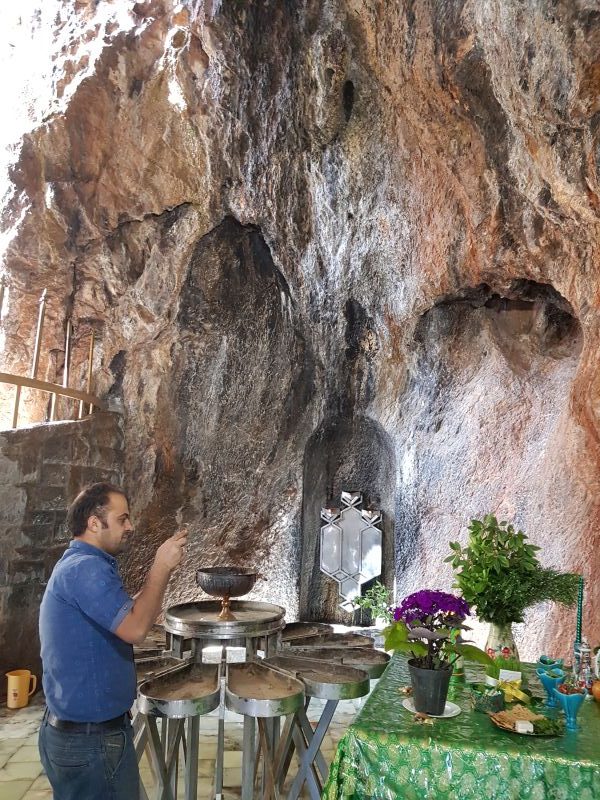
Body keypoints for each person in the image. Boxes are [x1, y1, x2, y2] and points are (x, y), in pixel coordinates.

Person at [38, 482, 187, 800]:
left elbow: (124, 612)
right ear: (94, 523)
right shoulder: (86, 570)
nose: (130, 527)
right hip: (90, 743)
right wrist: (161, 566)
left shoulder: (79, 565)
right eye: (123, 519)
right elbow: (134, 629)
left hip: (79, 734)